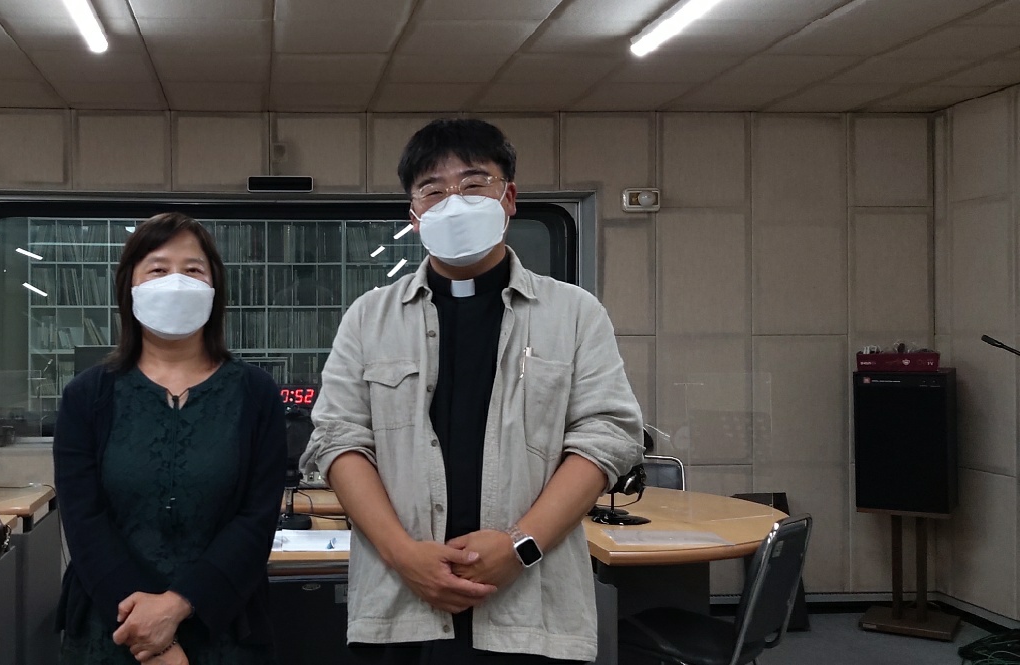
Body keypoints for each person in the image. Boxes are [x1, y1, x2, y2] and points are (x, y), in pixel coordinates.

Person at [300, 118, 644, 663]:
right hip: (400, 603)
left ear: (509, 198)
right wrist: (404, 555)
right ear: (414, 215)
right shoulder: (369, 318)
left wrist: (519, 546)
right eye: (433, 190)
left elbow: (607, 436)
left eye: (473, 184)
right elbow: (338, 439)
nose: (453, 202)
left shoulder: (575, 314)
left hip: (531, 606)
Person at [54, 212, 286, 665]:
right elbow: (83, 520)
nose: (176, 282)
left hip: (225, 625)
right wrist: (151, 637)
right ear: (130, 286)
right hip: (114, 627)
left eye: (193, 269)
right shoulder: (87, 395)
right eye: (158, 269)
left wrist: (177, 607)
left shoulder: (256, 393)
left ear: (215, 288)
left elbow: (256, 520)